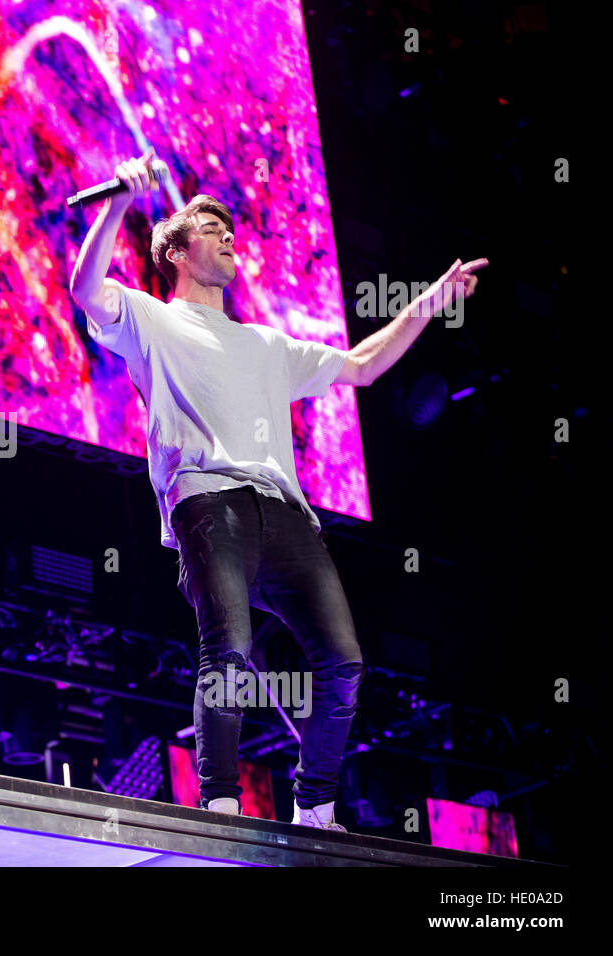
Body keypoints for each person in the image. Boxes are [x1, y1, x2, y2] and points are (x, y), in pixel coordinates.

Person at [70, 148, 485, 830]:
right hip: (210, 500)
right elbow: (87, 290)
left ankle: (315, 805)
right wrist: (118, 203)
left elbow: (362, 366)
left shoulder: (266, 343)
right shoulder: (153, 320)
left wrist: (431, 302)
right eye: (209, 225)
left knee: (345, 665)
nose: (228, 234)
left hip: (286, 515)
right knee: (227, 648)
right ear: (173, 251)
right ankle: (222, 803)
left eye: (230, 228)